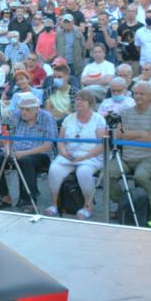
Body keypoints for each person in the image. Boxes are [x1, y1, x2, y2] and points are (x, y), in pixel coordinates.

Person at [45, 89, 107, 219]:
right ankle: (55, 204)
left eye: (83, 100)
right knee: (54, 170)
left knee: (83, 172)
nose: (79, 102)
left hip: (91, 156)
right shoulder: (68, 118)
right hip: (69, 155)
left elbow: (102, 145)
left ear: (90, 102)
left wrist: (84, 157)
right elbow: (61, 141)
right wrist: (63, 152)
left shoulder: (98, 119)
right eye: (77, 99)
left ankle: (88, 207)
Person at [0, 93, 55, 209]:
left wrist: (23, 153)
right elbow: (7, 136)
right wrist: (8, 150)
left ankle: (28, 200)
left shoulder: (47, 117)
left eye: (28, 110)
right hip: (15, 151)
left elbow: (47, 146)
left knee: (25, 160)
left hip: (39, 154)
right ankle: (4, 197)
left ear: (37, 109)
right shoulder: (16, 115)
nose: (23, 112)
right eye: (22, 109)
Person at [110, 81, 151, 217]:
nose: (138, 96)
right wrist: (142, 133)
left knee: (141, 177)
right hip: (125, 157)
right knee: (107, 175)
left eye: (142, 94)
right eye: (136, 93)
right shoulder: (125, 113)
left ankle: (149, 209)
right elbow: (119, 136)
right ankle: (126, 205)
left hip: (146, 158)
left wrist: (130, 135)